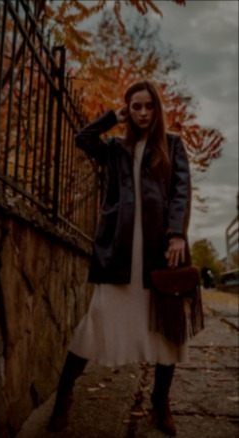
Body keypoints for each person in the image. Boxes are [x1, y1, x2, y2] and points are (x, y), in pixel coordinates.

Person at [48, 80, 192, 436]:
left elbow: (181, 192)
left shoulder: (173, 145)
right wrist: (114, 115)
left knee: (166, 332)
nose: (142, 113)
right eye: (136, 107)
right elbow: (83, 138)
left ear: (157, 109)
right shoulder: (115, 147)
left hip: (159, 254)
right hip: (119, 251)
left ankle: (161, 402)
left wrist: (176, 234)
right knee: (94, 324)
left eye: (148, 106)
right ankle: (63, 397)